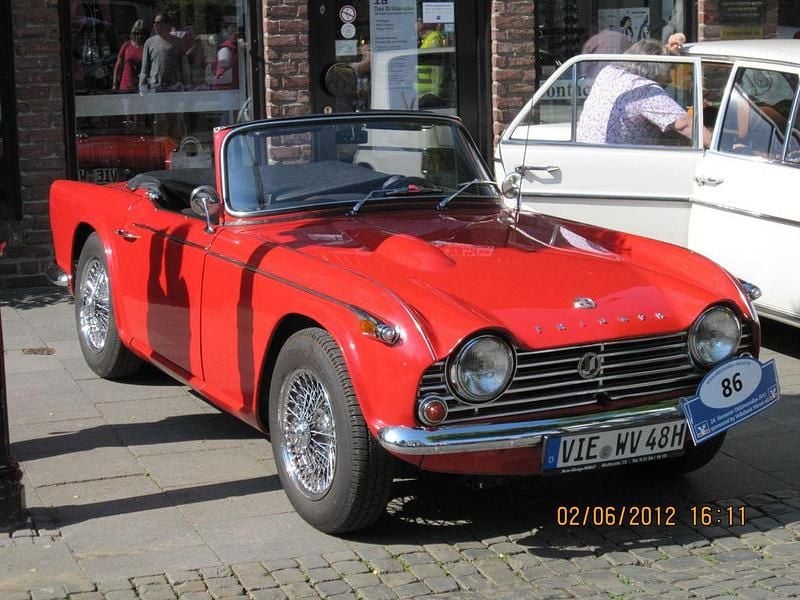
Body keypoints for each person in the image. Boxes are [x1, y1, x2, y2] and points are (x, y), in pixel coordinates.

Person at [576, 38, 710, 147]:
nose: (669, 78)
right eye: (668, 71)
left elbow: (648, 56)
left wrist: (668, 50)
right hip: (623, 163)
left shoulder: (608, 72)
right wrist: (716, 143)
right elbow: (685, 125)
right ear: (654, 69)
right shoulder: (644, 90)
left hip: (588, 153)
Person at [138, 13, 181, 94]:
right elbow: (145, 67)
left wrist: (186, 84)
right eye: (154, 23)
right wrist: (142, 87)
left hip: (173, 88)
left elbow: (183, 65)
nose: (155, 25)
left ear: (167, 25)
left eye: (158, 23)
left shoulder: (176, 41)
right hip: (155, 87)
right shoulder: (149, 42)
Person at [112, 19, 145, 92]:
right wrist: (115, 83)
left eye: (142, 33)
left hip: (141, 87)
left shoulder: (146, 47)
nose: (139, 35)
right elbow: (118, 66)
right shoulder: (126, 45)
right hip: (125, 86)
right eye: (137, 33)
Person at [213, 23, 240, 89]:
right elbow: (223, 70)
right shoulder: (225, 49)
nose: (235, 34)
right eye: (233, 32)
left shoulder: (236, 47)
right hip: (225, 87)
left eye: (236, 32)